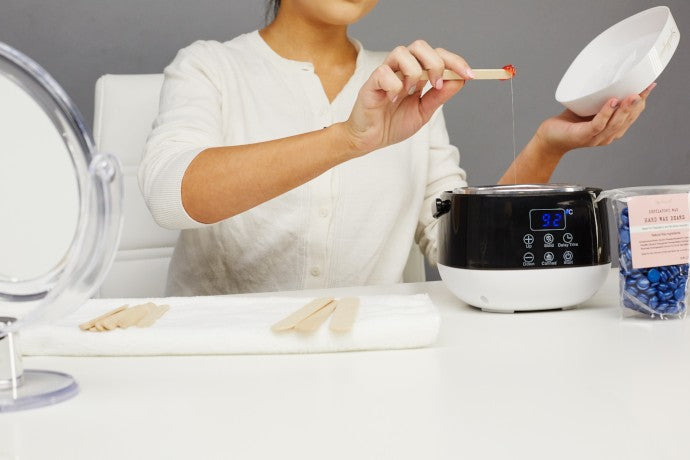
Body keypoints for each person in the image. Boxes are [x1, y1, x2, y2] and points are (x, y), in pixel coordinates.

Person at [140, 0, 654, 296]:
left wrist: (546, 147)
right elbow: (171, 193)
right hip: (226, 370)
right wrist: (348, 139)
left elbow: (459, 242)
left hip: (374, 368)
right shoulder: (209, 68)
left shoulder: (406, 85)